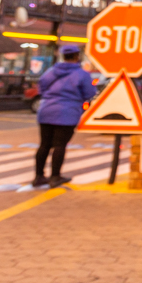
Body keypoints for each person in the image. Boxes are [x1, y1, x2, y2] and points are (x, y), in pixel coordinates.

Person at [33, 44, 95, 188]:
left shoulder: (51, 71)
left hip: (46, 111)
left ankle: (38, 177)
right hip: (67, 112)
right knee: (60, 145)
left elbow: (41, 86)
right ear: (76, 56)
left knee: (44, 144)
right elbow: (89, 93)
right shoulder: (82, 74)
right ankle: (55, 177)